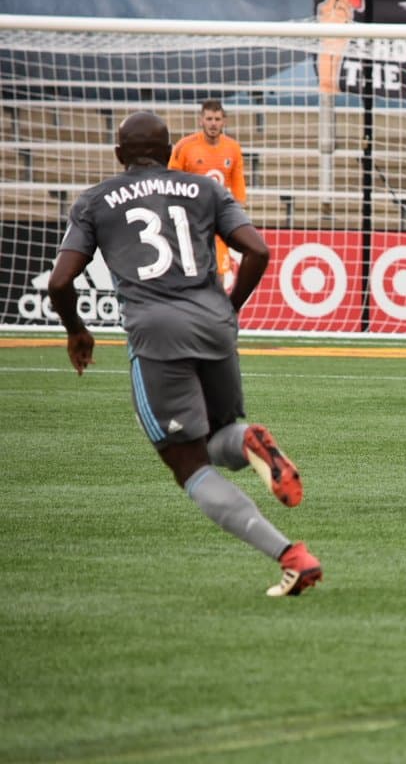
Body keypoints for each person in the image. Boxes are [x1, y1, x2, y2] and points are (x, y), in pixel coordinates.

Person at [47, 111, 322, 597]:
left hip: (156, 332)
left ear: (118, 155)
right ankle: (248, 442)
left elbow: (61, 280)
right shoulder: (205, 189)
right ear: (172, 150)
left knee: (186, 464)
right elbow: (256, 250)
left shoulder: (95, 201)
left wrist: (76, 331)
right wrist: (228, 308)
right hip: (213, 324)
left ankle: (290, 556)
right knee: (219, 439)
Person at [168, 99, 247, 292]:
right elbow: (170, 180)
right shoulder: (185, 147)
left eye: (217, 119)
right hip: (191, 220)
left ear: (224, 121)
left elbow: (238, 183)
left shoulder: (233, 148)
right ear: (201, 120)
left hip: (218, 221)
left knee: (219, 273)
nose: (213, 123)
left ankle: (215, 315)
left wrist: (238, 212)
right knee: (190, 270)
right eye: (209, 118)